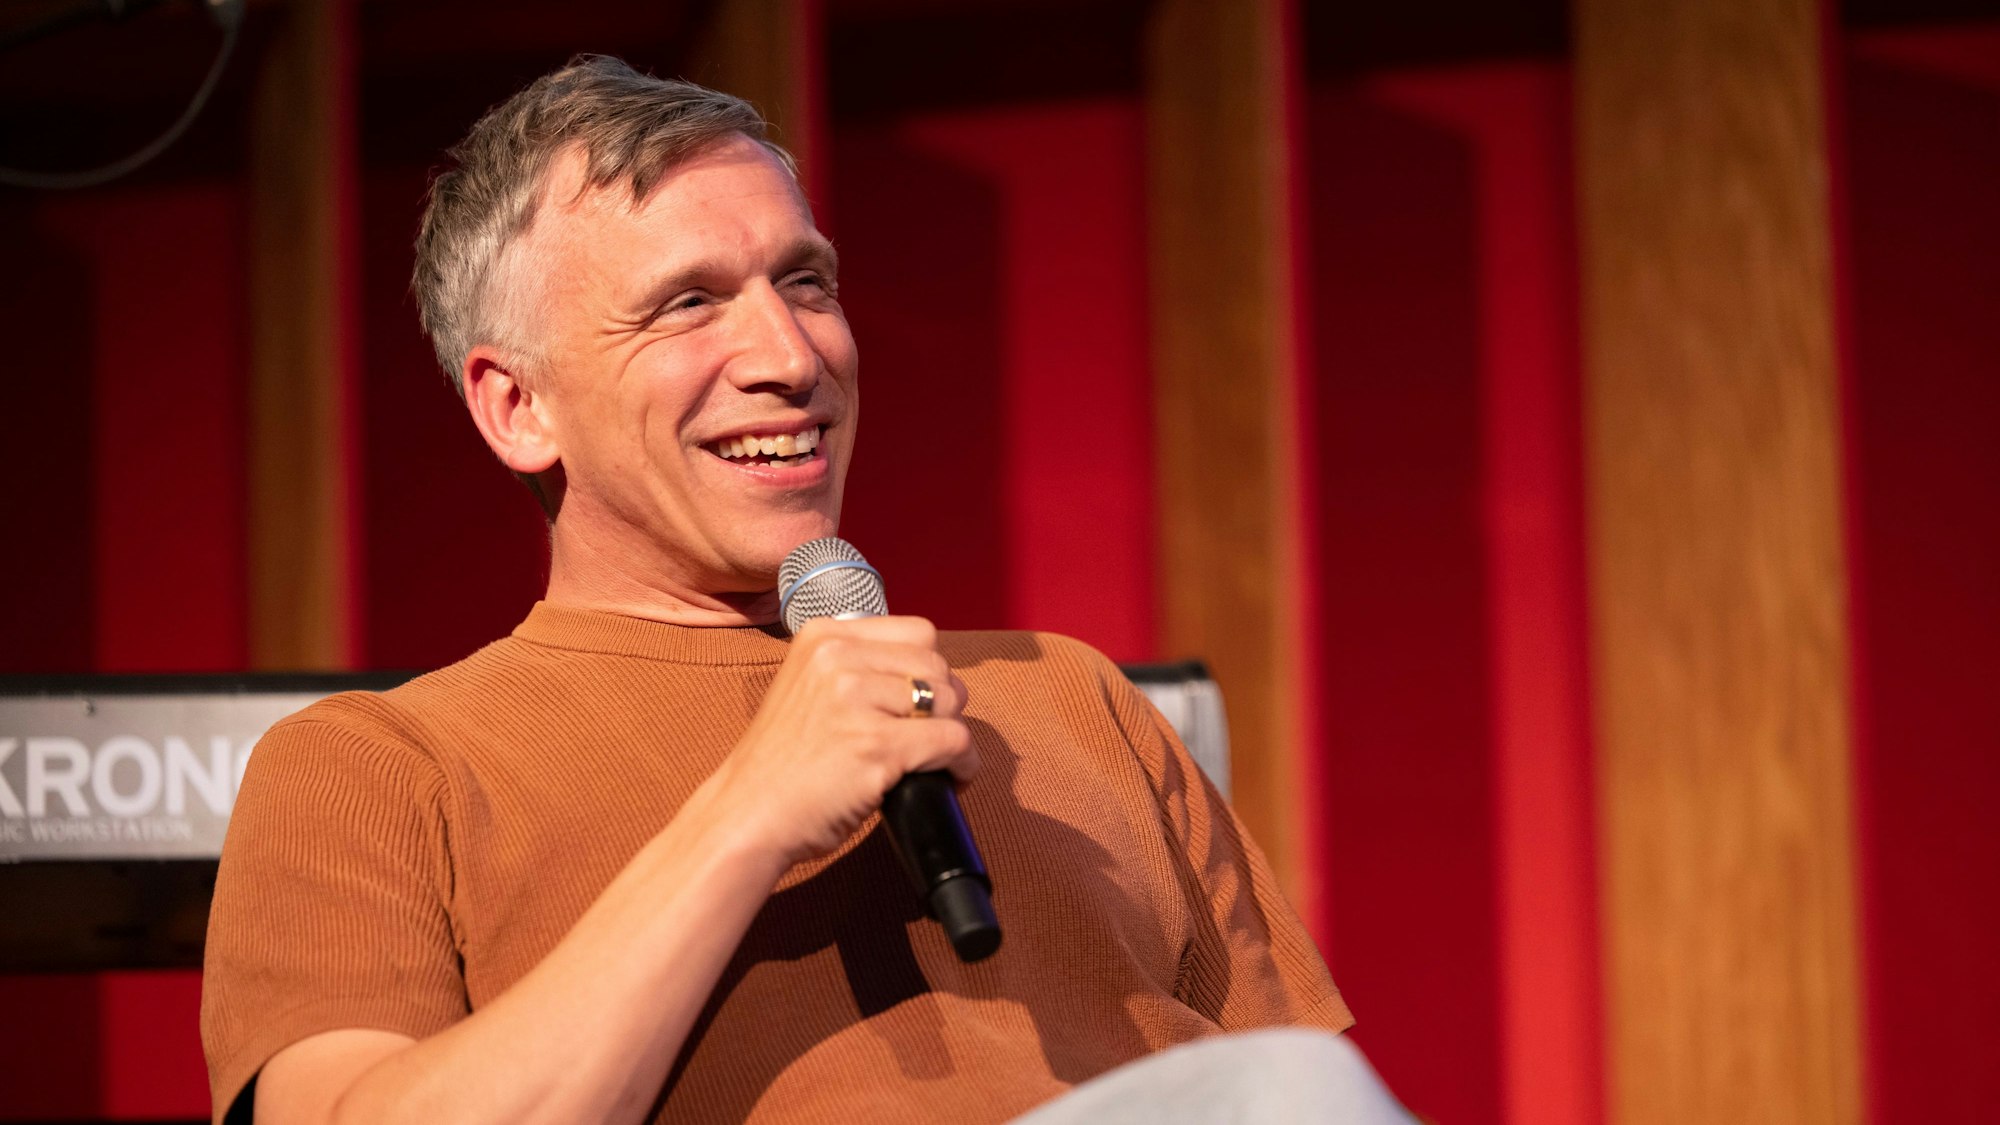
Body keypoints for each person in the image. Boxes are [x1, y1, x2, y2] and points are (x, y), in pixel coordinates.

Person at [200, 56, 1354, 1125]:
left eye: (804, 282)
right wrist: (748, 813)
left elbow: (1288, 1088)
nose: (792, 357)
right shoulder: (375, 768)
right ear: (518, 407)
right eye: (686, 303)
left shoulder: (1073, 696)